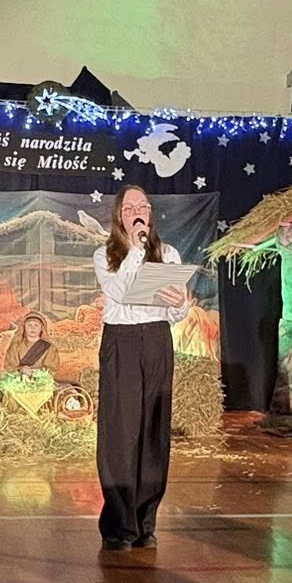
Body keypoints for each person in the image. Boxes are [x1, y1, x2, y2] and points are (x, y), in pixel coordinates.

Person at [94, 186, 188, 551]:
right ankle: (120, 525)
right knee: (121, 431)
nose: (138, 212)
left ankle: (146, 522)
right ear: (120, 215)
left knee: (152, 430)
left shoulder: (168, 253)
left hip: (156, 341)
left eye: (144, 206)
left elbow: (176, 312)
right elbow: (118, 293)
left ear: (150, 213)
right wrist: (135, 249)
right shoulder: (105, 255)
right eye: (130, 207)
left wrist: (180, 304)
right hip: (122, 341)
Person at [1, 311, 61, 382]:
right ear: (24, 327)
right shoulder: (15, 346)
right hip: (18, 383)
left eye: (36, 325)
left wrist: (35, 373)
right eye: (29, 325)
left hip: (41, 383)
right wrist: (20, 370)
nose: (33, 328)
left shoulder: (49, 348)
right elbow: (8, 366)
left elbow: (52, 369)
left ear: (41, 328)